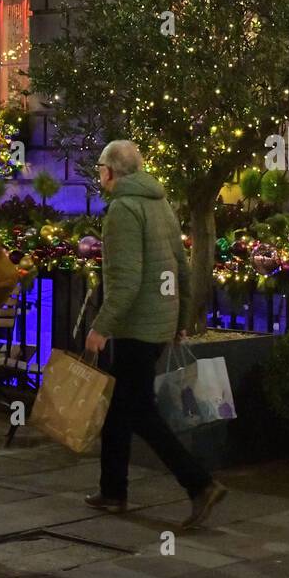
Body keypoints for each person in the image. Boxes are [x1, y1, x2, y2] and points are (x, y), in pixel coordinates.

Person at [83, 140, 226, 528]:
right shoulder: (160, 203)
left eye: (100, 168)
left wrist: (101, 327)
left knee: (141, 412)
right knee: (121, 406)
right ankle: (113, 490)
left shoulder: (123, 211)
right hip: (158, 323)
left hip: (135, 327)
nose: (99, 175)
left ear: (111, 171)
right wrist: (179, 318)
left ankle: (200, 484)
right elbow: (181, 265)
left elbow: (125, 282)